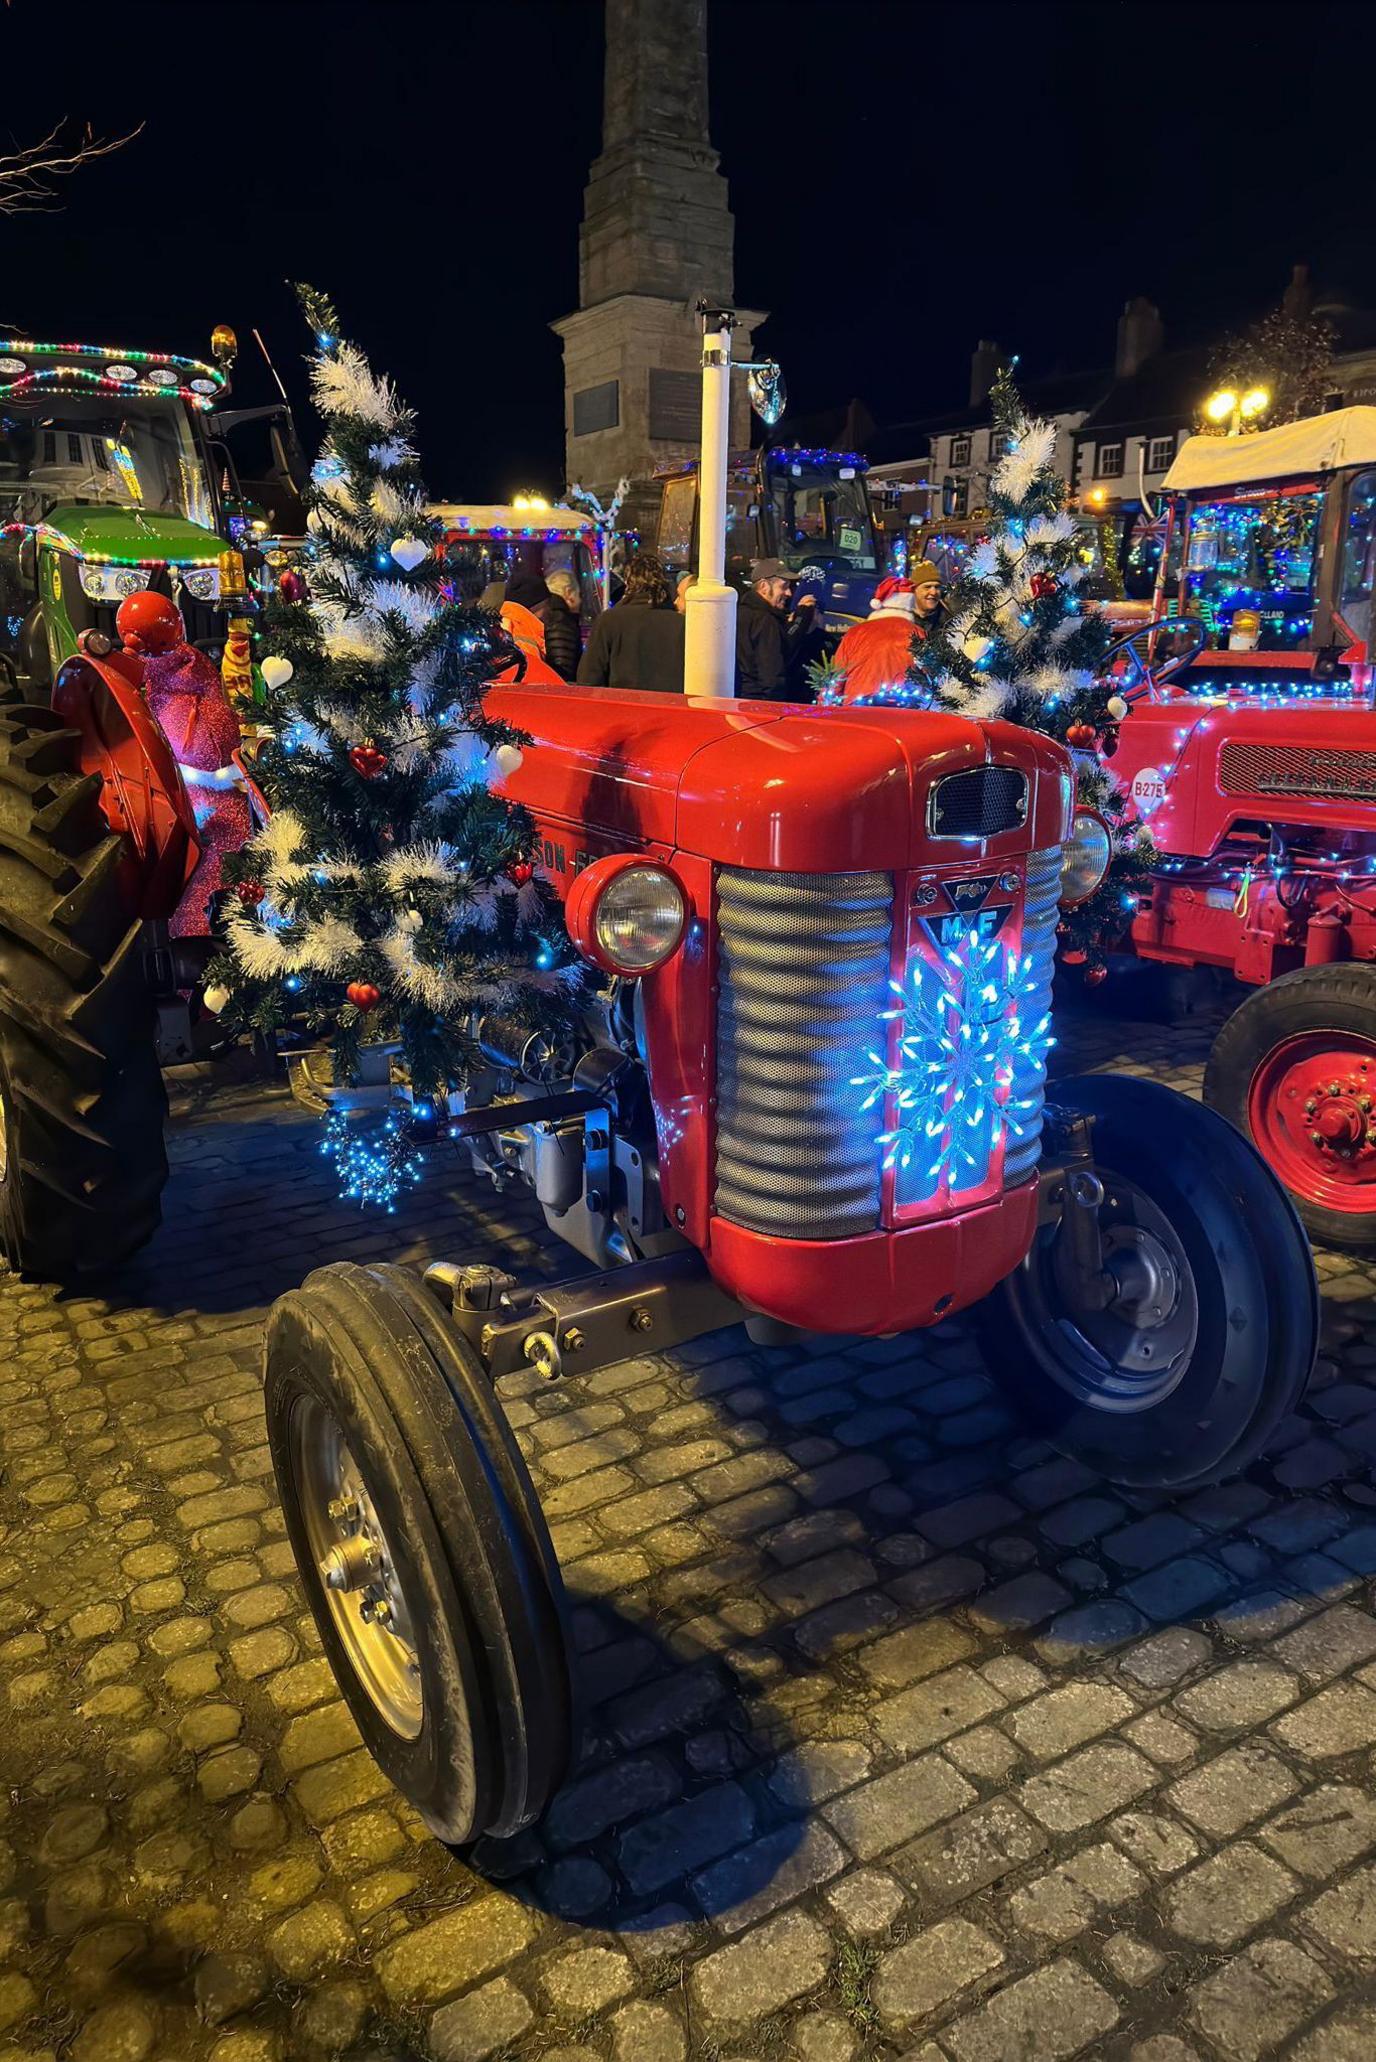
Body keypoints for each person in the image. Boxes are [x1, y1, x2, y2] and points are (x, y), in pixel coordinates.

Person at [576, 552, 685, 692]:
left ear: (628, 583)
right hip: (671, 708)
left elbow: (588, 679)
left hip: (623, 708)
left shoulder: (609, 621)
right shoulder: (681, 624)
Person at [735, 557, 818, 699]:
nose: (789, 593)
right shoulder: (765, 621)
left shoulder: (739, 613)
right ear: (764, 586)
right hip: (761, 704)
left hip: (740, 699)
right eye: (783, 587)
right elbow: (771, 673)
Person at [831, 575, 921, 705]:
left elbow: (837, 676)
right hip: (904, 708)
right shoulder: (918, 634)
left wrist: (826, 707)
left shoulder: (856, 632)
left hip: (856, 707)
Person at [541, 568, 584, 681]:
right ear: (568, 592)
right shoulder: (560, 619)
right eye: (578, 594)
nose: (580, 600)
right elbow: (563, 666)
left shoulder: (548, 613)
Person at [911, 559, 946, 642]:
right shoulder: (902, 619)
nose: (933, 592)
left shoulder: (947, 619)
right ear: (914, 590)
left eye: (937, 587)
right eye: (927, 587)